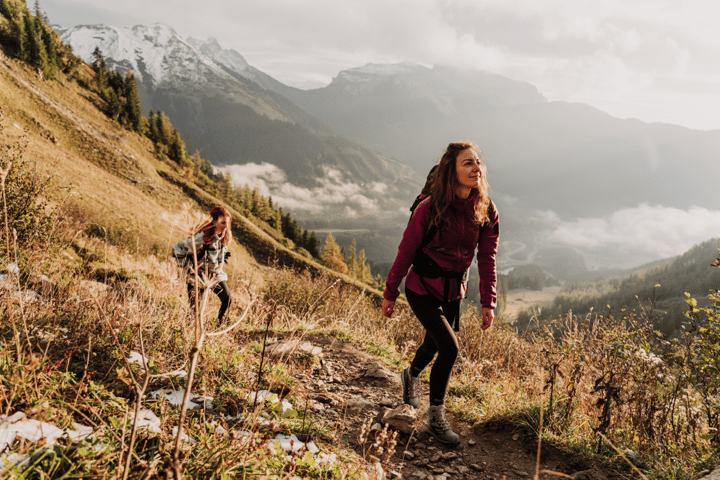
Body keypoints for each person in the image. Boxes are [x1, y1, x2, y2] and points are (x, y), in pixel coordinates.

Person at [382, 142, 500, 445]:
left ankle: (410, 374)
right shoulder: (431, 207)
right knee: (450, 347)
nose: (476, 168)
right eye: (467, 163)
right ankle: (436, 417)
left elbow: (486, 257)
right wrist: (390, 291)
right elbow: (406, 250)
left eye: (478, 162)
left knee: (433, 345)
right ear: (452, 170)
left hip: (453, 291)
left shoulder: (485, 208)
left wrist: (489, 301)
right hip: (421, 287)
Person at [173, 206, 233, 323]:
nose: (226, 226)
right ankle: (190, 332)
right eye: (223, 222)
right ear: (214, 222)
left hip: (215, 275)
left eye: (228, 222)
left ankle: (219, 325)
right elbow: (177, 249)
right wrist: (189, 268)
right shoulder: (201, 237)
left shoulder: (225, 236)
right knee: (195, 311)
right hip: (197, 277)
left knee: (228, 299)